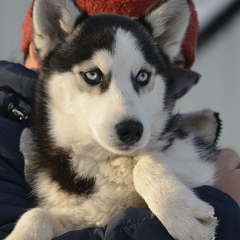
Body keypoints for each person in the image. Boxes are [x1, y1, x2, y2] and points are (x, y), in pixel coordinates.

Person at [0, 0, 239, 239]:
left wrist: (153, 175)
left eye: (144, 77)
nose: (127, 109)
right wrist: (222, 202)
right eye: (93, 76)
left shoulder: (186, 146)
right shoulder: (10, 141)